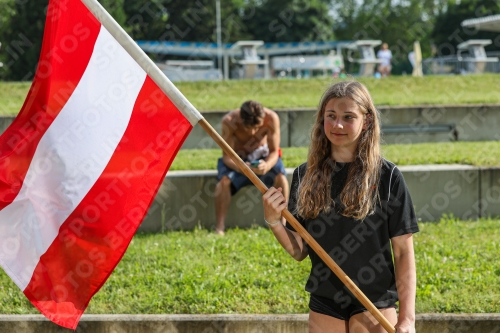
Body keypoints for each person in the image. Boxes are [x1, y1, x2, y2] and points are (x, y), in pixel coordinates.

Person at [262, 81, 418, 333]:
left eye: (348, 117)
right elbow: (300, 249)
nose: (337, 125)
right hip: (326, 301)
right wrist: (274, 222)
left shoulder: (388, 177)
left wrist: (407, 319)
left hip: (374, 301)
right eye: (331, 116)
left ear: (366, 121)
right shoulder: (305, 175)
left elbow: (403, 253)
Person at [215, 100, 288, 235]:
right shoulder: (229, 121)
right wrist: (240, 167)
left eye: (257, 128)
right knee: (223, 182)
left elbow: (274, 152)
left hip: (263, 157)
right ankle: (220, 227)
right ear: (241, 120)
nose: (253, 132)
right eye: (249, 128)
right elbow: (227, 156)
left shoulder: (271, 118)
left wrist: (266, 165)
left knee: (282, 179)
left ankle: (283, 224)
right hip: (238, 160)